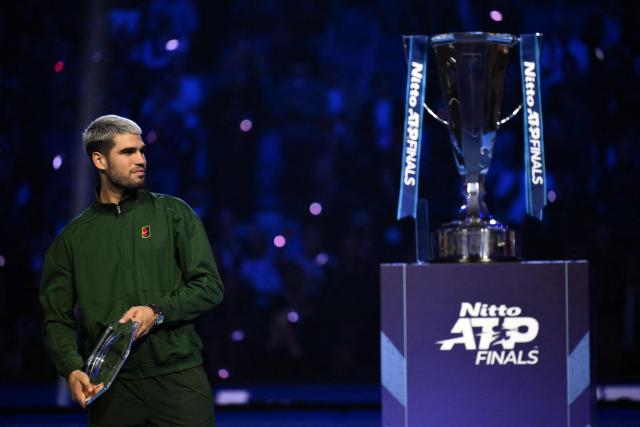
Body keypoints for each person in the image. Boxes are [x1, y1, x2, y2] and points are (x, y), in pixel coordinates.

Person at [39, 114, 224, 426]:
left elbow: (210, 286)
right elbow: (56, 319)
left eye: (141, 151)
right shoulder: (72, 239)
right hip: (112, 387)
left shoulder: (174, 214)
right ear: (99, 159)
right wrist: (71, 368)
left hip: (179, 380)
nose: (141, 160)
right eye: (128, 152)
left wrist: (158, 311)